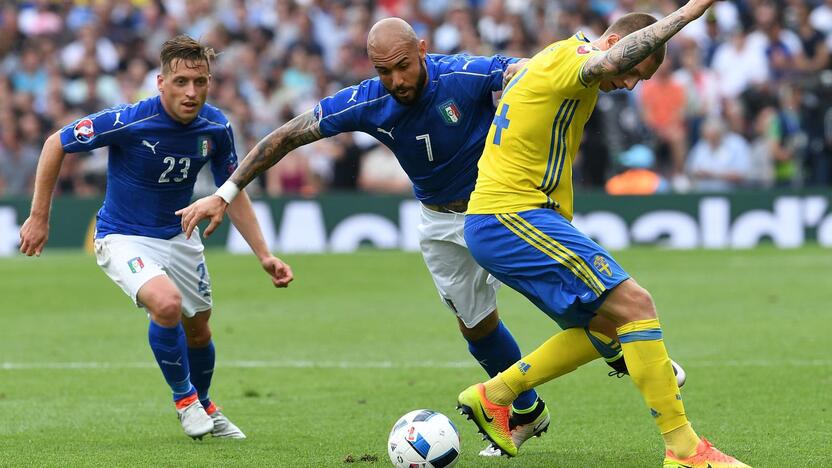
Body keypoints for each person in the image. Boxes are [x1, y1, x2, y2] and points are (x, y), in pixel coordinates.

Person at [176, 18, 684, 457]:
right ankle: (527, 410)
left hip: (503, 208)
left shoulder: (461, 74)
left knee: (583, 304)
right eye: (383, 71)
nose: (396, 80)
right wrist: (226, 191)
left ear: (422, 50)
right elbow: (287, 135)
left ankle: (629, 347)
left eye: (403, 65)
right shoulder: (369, 101)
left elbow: (524, 73)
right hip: (439, 223)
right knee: (476, 329)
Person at [456, 4, 749, 467]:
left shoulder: (558, 57)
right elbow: (606, 63)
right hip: (510, 215)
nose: (630, 84)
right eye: (633, 70)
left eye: (641, 79)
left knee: (609, 328)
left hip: (507, 218)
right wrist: (690, 12)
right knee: (637, 305)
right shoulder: (576, 62)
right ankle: (686, 449)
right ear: (614, 44)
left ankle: (495, 395)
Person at [18, 35, 294, 440]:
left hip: (179, 238)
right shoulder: (130, 120)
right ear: (161, 82)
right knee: (166, 304)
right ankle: (184, 401)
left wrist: (264, 254)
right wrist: (39, 216)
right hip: (122, 237)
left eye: (200, 82)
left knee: (199, 331)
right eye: (181, 82)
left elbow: (232, 191)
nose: (191, 92)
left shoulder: (216, 126)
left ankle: (204, 403)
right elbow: (54, 143)